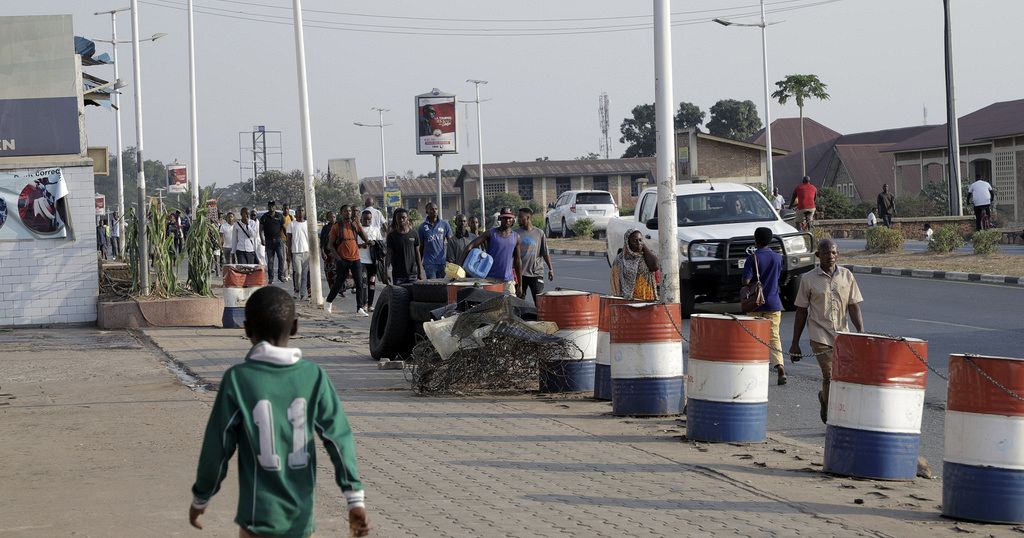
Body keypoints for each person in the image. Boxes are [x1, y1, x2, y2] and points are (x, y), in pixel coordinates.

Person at [188, 286, 370, 538]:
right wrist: (354, 499)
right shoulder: (313, 377)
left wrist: (201, 497)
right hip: (301, 518)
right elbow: (339, 439)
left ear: (246, 329)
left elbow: (217, 447)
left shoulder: (238, 380)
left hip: (256, 518)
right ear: (295, 327)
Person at [789, 239, 864, 424]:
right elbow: (801, 311)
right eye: (825, 253)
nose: (830, 256)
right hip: (819, 334)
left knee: (843, 376)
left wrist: (861, 332)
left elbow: (853, 306)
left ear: (837, 254)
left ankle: (825, 398)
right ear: (818, 255)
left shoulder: (847, 276)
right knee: (829, 374)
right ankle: (833, 417)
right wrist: (795, 343)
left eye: (833, 253)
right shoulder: (808, 279)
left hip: (843, 335)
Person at [742, 227, 786, 385]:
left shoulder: (752, 258)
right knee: (774, 336)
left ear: (755, 240)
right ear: (770, 240)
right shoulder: (778, 258)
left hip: (755, 305)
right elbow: (778, 276)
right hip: (773, 303)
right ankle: (780, 366)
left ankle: (756, 369)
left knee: (754, 337)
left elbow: (746, 282)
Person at [460, 207, 523, 295]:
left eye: (509, 218)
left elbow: (517, 260)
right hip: (490, 280)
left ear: (513, 219)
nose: (507, 220)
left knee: (510, 307)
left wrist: (520, 284)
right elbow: (470, 246)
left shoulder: (516, 237)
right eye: (504, 218)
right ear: (500, 218)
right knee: (490, 307)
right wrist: (460, 266)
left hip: (508, 282)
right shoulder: (491, 233)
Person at [326, 205, 371, 316]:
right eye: (346, 211)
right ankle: (328, 302)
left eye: (350, 211)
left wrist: (359, 224)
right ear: (341, 213)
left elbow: (366, 239)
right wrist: (338, 259)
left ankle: (359, 308)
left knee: (359, 283)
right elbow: (330, 245)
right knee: (339, 283)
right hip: (343, 259)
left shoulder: (355, 225)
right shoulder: (337, 227)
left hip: (355, 258)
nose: (349, 213)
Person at [515, 207, 554, 303]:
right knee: (519, 303)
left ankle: (540, 318)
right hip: (520, 274)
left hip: (536, 273)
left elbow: (545, 252)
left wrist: (550, 269)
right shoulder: (515, 233)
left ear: (528, 218)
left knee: (539, 302)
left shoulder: (539, 233)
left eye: (521, 217)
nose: (518, 219)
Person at [610, 229, 659, 301]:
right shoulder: (620, 260)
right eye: (635, 241)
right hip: (627, 300)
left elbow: (654, 266)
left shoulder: (646, 256)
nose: (638, 243)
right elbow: (615, 282)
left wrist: (643, 246)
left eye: (640, 240)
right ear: (628, 243)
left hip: (646, 297)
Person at [386, 208, 423, 285]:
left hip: (412, 274)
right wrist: (386, 271)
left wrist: (420, 271)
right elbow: (389, 254)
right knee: (399, 296)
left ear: (407, 218)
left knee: (412, 296)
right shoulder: (392, 236)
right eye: (399, 218)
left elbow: (417, 254)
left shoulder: (414, 234)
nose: (401, 220)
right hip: (398, 275)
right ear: (395, 219)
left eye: (403, 217)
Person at [358, 210, 384, 312]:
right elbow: (354, 245)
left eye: (369, 219)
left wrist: (374, 243)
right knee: (363, 283)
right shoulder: (358, 230)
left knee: (372, 283)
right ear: (361, 219)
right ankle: (363, 304)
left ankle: (370, 304)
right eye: (365, 219)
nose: (367, 221)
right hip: (361, 261)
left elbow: (381, 244)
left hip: (373, 262)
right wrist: (362, 245)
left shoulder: (376, 229)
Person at [418, 202, 451, 279]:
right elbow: (421, 246)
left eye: (436, 209)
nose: (435, 211)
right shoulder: (422, 227)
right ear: (427, 211)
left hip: (442, 262)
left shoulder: (444, 224)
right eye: (432, 209)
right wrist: (419, 263)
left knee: (441, 285)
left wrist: (450, 258)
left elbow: (450, 242)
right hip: (429, 263)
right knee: (432, 285)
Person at [260, 201, 286, 283]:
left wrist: (287, 238)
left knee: (281, 258)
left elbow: (284, 228)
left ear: (275, 207)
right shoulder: (264, 217)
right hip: (268, 241)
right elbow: (260, 230)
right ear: (268, 207)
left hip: (278, 241)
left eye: (273, 206)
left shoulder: (280, 216)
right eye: (270, 206)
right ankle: (271, 278)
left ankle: (280, 275)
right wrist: (262, 239)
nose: (271, 208)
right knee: (270, 260)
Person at [288, 208, 311, 301]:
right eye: (298, 211)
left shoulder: (307, 224)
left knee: (305, 274)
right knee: (298, 272)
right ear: (295, 213)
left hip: (306, 252)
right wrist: (288, 252)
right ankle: (296, 290)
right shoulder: (292, 224)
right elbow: (289, 239)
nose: (300, 213)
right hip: (296, 252)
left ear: (304, 212)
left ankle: (303, 293)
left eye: (302, 211)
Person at [318, 211, 337, 298]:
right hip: (329, 253)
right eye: (331, 217)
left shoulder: (339, 226)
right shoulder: (326, 228)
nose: (333, 219)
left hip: (339, 253)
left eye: (334, 217)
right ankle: (332, 290)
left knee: (339, 272)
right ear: (328, 218)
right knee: (329, 273)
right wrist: (322, 251)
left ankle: (339, 289)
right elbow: (322, 241)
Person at [281, 203, 293, 282]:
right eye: (284, 209)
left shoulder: (291, 218)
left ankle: (289, 273)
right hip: (282, 240)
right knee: (284, 258)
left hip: (290, 240)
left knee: (289, 258)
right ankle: (285, 274)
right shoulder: (280, 217)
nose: (286, 210)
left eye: (287, 209)